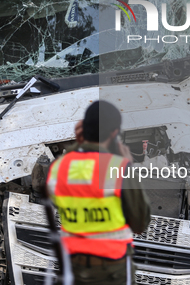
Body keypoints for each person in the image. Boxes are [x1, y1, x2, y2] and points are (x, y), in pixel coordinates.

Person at [47, 100, 151, 285]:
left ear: (83, 129)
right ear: (114, 133)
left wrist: (77, 147)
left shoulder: (59, 167)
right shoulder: (118, 167)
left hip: (73, 269)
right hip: (112, 271)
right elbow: (139, 223)